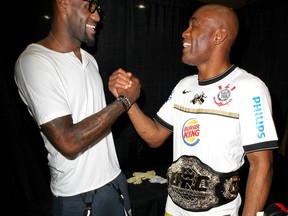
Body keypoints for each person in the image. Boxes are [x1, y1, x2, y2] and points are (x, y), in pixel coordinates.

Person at [108, 4, 278, 216]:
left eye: (194, 26)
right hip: (173, 209)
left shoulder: (250, 88)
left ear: (219, 36)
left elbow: (261, 164)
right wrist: (128, 101)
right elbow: (155, 137)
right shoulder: (184, 86)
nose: (184, 32)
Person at [14, 0, 141, 215]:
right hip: (77, 197)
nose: (98, 17)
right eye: (90, 5)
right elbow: (68, 141)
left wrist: (119, 94)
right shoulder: (34, 62)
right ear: (63, 4)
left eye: (98, 8)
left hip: (115, 183)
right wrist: (124, 102)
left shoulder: (90, 60)